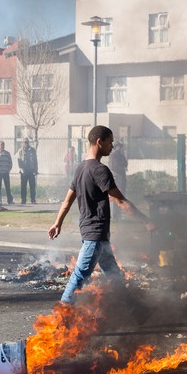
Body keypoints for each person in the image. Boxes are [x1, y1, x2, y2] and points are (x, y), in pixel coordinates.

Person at [48, 125, 156, 309]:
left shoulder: (81, 168)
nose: (112, 146)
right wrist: (146, 221)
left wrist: (57, 223)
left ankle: (134, 311)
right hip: (95, 234)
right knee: (79, 276)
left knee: (115, 276)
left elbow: (67, 201)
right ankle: (62, 315)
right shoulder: (100, 170)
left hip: (95, 234)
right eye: (110, 142)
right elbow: (121, 201)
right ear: (99, 142)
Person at [108, 142, 128, 220]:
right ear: (115, 147)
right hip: (117, 176)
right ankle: (115, 214)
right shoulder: (114, 155)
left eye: (120, 147)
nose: (119, 148)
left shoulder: (121, 155)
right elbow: (115, 166)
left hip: (122, 176)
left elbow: (125, 164)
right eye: (118, 147)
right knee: (116, 196)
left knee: (121, 195)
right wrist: (121, 167)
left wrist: (123, 166)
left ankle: (118, 214)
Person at [16, 137, 38, 204]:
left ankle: (33, 200)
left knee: (32, 186)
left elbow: (35, 160)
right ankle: (23, 200)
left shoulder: (32, 150)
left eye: (27, 142)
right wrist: (21, 169)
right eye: (24, 142)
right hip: (24, 171)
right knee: (23, 186)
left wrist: (36, 170)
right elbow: (19, 161)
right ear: (22, 143)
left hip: (31, 170)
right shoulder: (20, 151)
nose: (26, 143)